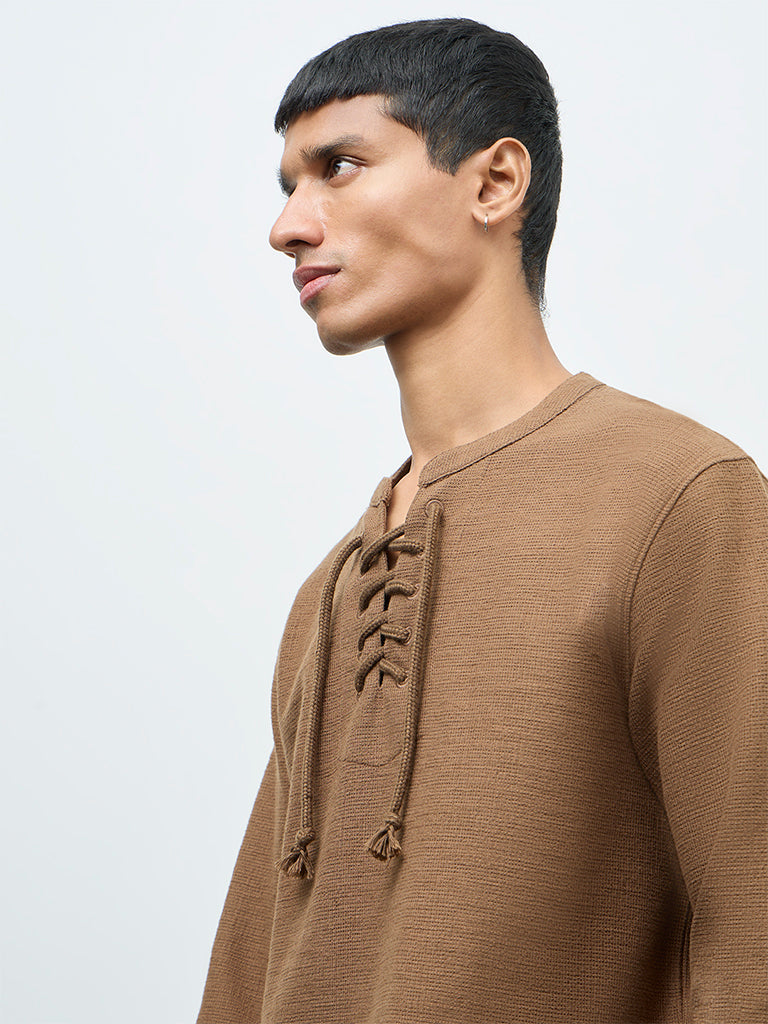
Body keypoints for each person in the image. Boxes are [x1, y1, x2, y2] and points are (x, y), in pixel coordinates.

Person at [197, 18, 767, 1023]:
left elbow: (752, 909)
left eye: (339, 167)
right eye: (287, 186)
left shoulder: (678, 498)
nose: (288, 225)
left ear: (496, 182)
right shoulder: (332, 588)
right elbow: (249, 971)